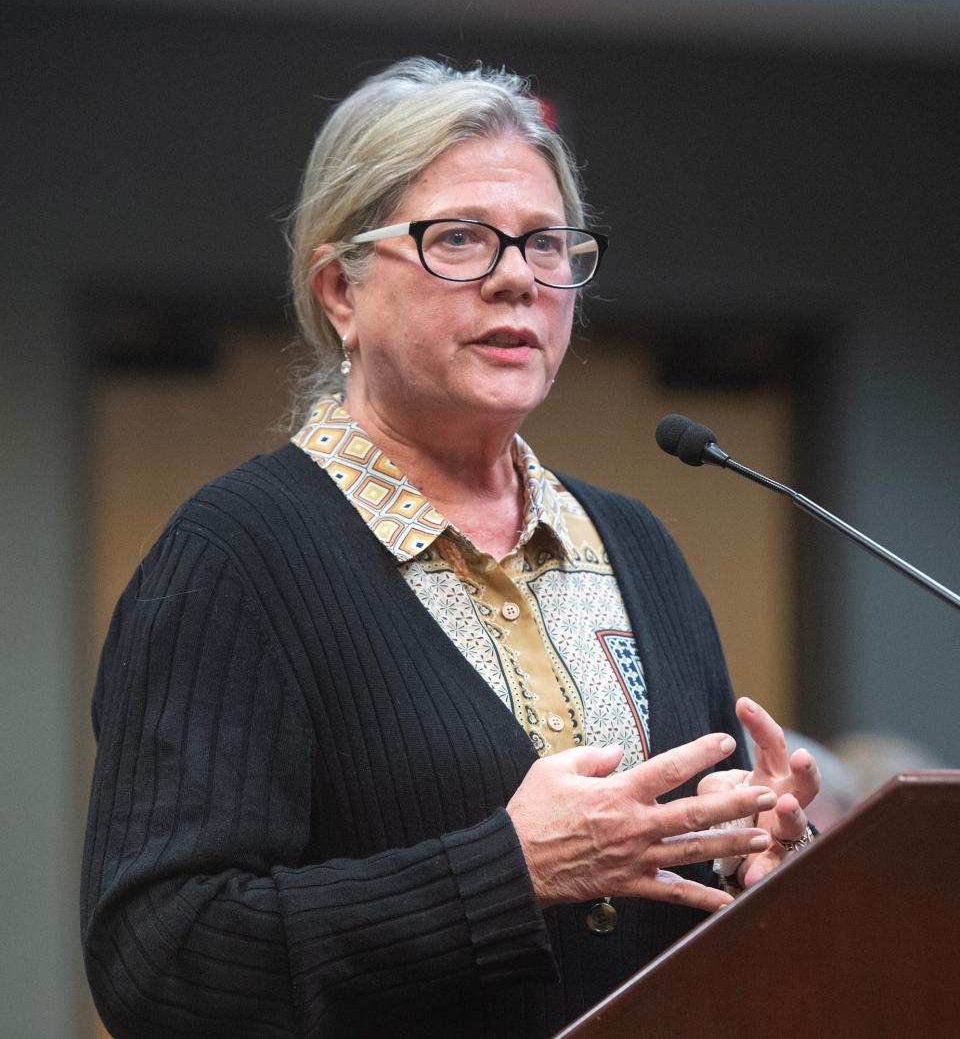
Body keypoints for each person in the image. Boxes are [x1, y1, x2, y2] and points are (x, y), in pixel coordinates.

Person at [81, 58, 819, 1039]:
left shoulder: (636, 545)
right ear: (340, 289)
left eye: (548, 244)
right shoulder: (235, 558)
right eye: (461, 239)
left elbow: (674, 922)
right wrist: (506, 875)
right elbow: (160, 963)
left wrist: (754, 859)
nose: (518, 276)